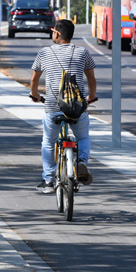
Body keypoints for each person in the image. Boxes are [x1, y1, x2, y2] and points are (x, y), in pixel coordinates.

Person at [29, 19, 98, 193]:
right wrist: (91, 96)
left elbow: (34, 80)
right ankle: (81, 162)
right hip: (77, 107)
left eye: (53, 31)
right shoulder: (82, 52)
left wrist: (35, 95)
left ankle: (48, 180)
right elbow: (91, 79)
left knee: (48, 142)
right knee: (82, 138)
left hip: (53, 106)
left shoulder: (44, 53)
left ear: (57, 34)